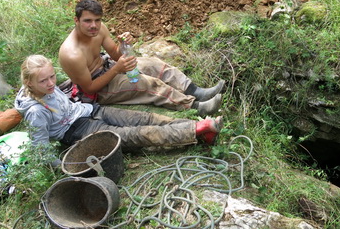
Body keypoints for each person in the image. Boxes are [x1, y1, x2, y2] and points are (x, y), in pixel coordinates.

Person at [14, 55, 223, 165]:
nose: (51, 83)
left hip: (90, 111)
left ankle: (198, 132)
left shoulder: (45, 87)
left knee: (144, 118)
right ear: (29, 83)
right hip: (78, 133)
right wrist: (65, 167)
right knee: (135, 135)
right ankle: (196, 129)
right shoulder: (36, 112)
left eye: (52, 76)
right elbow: (39, 149)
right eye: (43, 80)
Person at [58, 0, 224, 116]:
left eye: (97, 20)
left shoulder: (99, 30)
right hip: (99, 89)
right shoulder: (71, 53)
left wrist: (123, 45)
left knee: (154, 65)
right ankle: (195, 106)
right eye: (87, 21)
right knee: (146, 83)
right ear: (77, 20)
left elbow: (116, 55)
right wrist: (117, 69)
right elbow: (89, 88)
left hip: (108, 66)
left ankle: (197, 92)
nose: (93, 25)